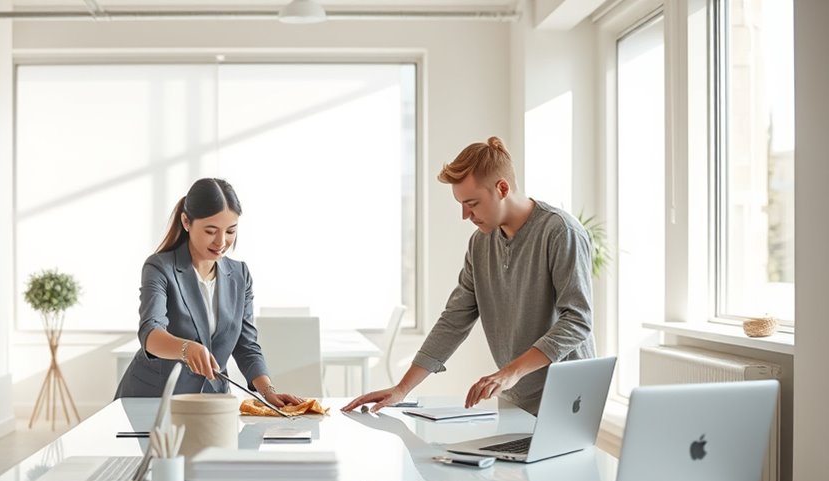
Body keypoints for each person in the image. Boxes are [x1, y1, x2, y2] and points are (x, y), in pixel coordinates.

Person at [343, 136, 594, 415]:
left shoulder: (560, 232)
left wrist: (509, 373)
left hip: (569, 397)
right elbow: (454, 319)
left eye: (472, 203)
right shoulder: (480, 243)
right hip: (517, 397)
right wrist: (402, 389)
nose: (465, 215)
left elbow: (578, 320)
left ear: (502, 188)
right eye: (461, 204)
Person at [115, 177, 303, 408]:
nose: (221, 242)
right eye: (211, 231)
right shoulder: (160, 267)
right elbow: (150, 333)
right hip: (154, 399)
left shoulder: (240, 275)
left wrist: (268, 391)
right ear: (186, 222)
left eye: (230, 231)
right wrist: (186, 349)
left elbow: (246, 345)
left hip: (212, 402)